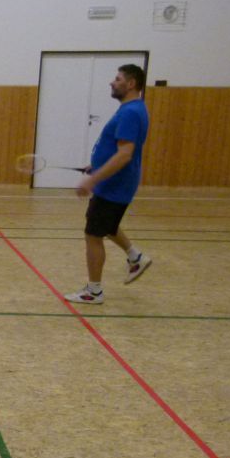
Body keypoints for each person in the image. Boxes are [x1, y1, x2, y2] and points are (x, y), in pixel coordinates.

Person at [63, 64, 152, 304]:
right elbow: (118, 149)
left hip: (114, 186)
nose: (112, 82)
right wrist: (96, 165)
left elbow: (124, 154)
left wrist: (93, 179)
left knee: (93, 234)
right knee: (108, 225)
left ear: (131, 84)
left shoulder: (130, 112)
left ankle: (94, 292)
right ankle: (135, 257)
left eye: (118, 79)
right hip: (116, 183)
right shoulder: (133, 109)